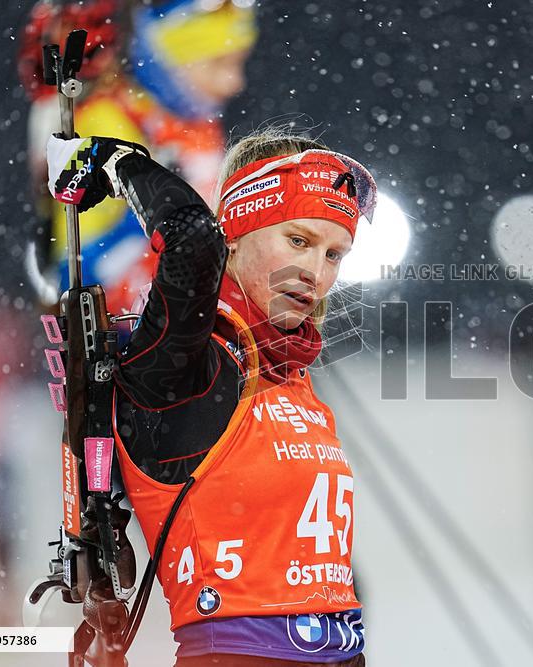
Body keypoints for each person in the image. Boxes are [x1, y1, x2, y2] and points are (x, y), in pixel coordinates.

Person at [46, 125, 374, 666]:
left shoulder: (290, 372)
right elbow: (194, 238)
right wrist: (114, 162)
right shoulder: (184, 365)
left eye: (334, 253)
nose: (316, 272)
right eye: (298, 241)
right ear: (239, 233)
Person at [20, 0, 258, 314]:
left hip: (199, 325)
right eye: (217, 64)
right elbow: (72, 271)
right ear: (165, 59)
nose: (234, 82)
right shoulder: (105, 121)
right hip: (132, 337)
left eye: (239, 63)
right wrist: (153, 209)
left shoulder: (195, 128)